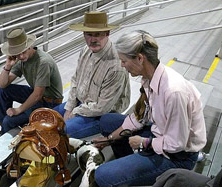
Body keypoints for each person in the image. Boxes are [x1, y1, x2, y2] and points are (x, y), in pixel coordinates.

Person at [93, 30, 207, 186]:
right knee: (107, 121)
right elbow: (139, 116)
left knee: (102, 175)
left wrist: (144, 143)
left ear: (140, 58)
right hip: (160, 133)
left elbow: (176, 143)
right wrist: (109, 139)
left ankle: (123, 174)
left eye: (124, 61)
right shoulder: (150, 78)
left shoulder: (173, 92)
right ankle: (126, 171)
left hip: (177, 156)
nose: (122, 65)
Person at [53, 11, 130, 139]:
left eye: (98, 34)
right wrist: (69, 107)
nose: (93, 39)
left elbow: (102, 107)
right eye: (89, 34)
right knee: (47, 117)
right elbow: (75, 80)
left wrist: (75, 112)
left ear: (107, 33)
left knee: (58, 133)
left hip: (101, 114)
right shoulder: (85, 50)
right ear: (83, 34)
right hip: (82, 103)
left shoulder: (115, 66)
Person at [0, 27, 63, 134]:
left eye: (23, 52)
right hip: (38, 95)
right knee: (4, 91)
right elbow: (2, 85)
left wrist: (19, 110)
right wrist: (8, 66)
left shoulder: (43, 62)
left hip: (49, 103)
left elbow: (37, 95)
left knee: (9, 121)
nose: (21, 56)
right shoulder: (21, 59)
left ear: (29, 46)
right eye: (17, 53)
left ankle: (6, 133)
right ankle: (1, 119)